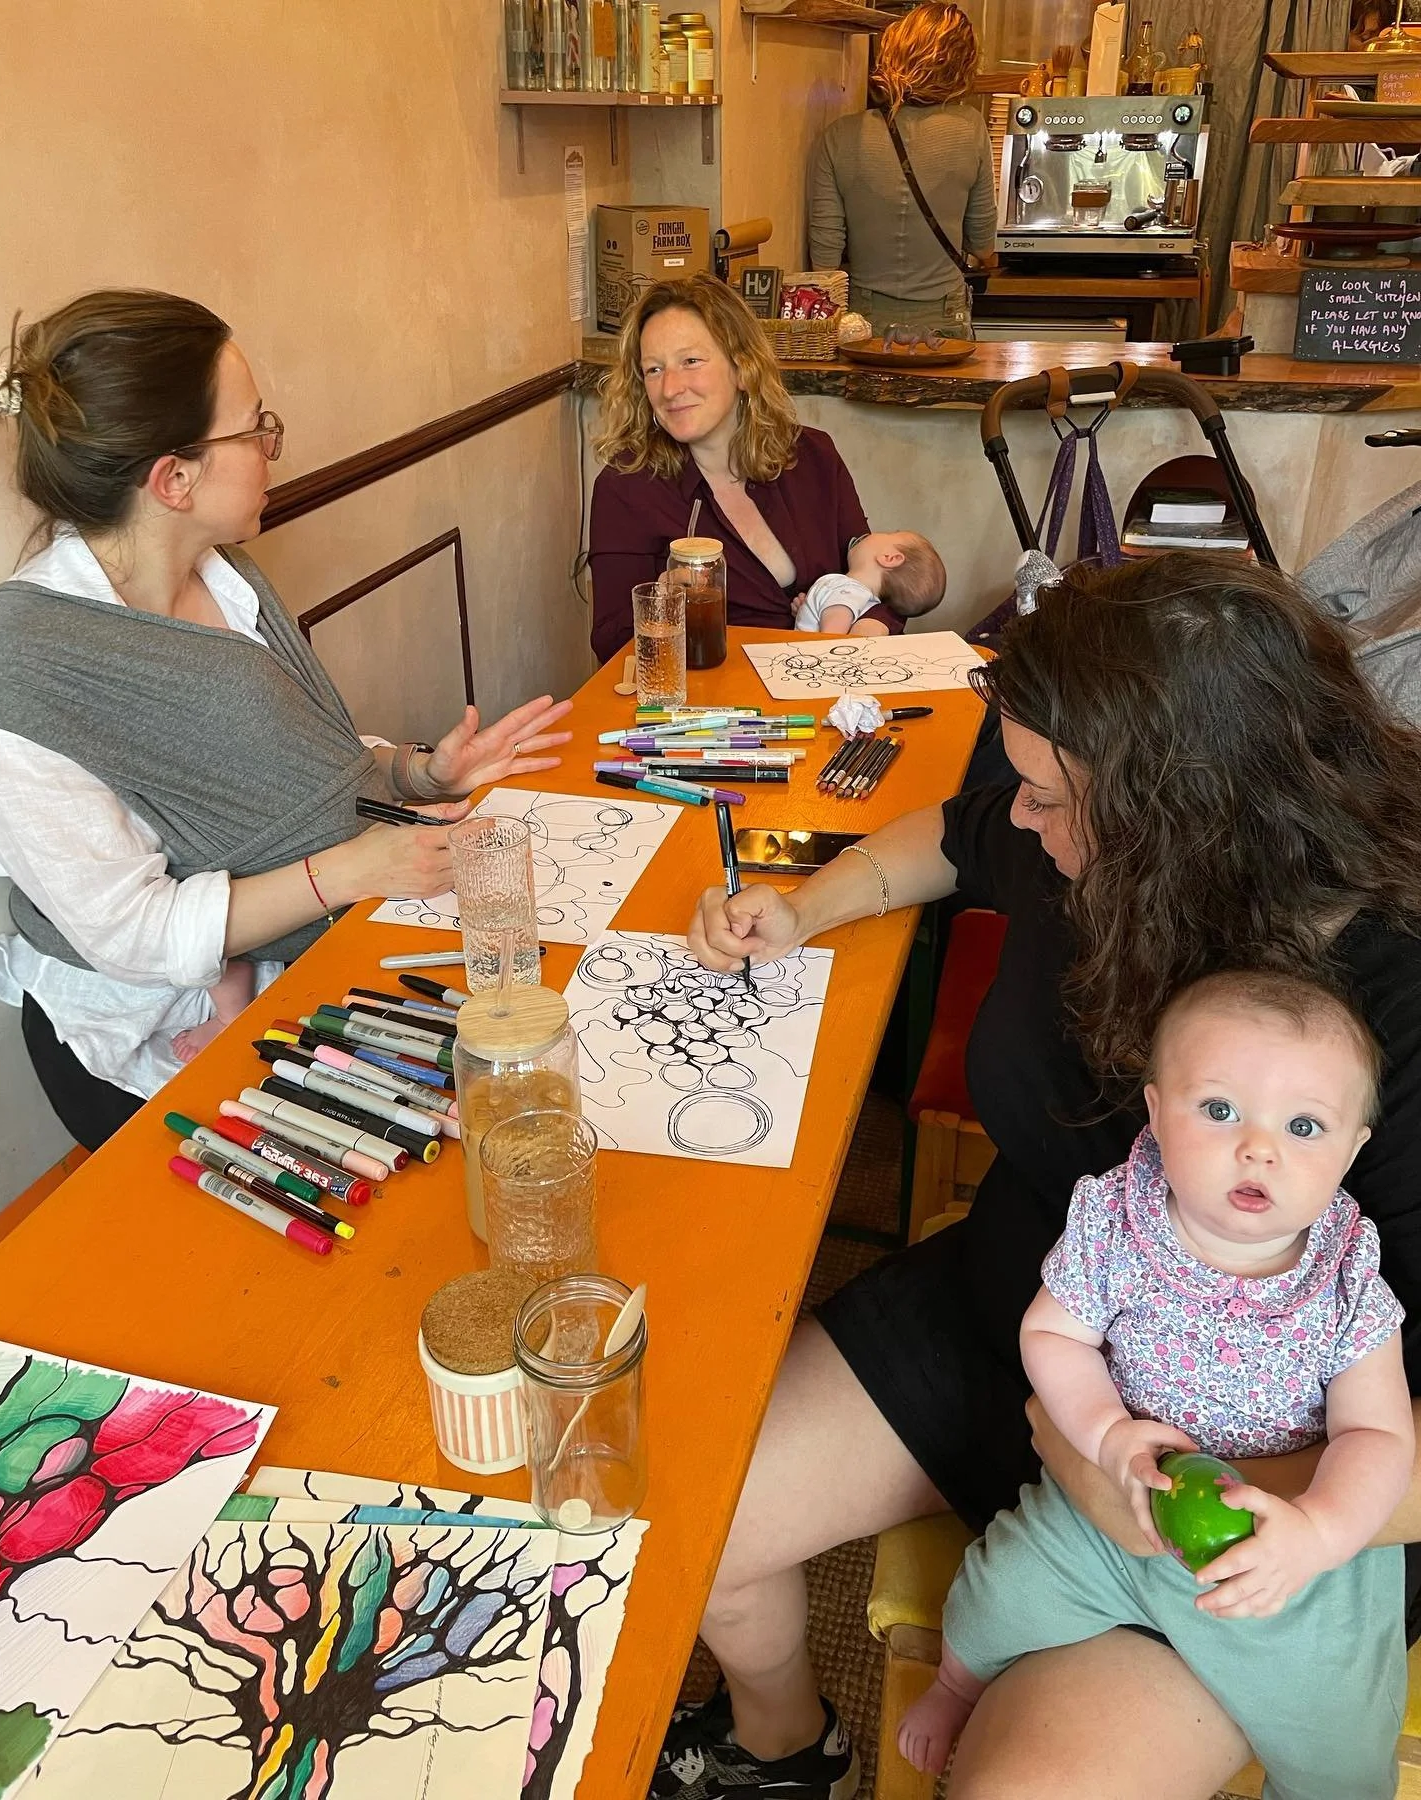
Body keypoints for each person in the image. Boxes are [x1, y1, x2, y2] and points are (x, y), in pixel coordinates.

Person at [671, 552, 1421, 1800]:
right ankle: (785, 1749)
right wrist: (812, 903)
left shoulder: (1397, 993)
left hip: (1253, 1484)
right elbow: (959, 837)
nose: (1020, 820)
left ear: (1180, 822)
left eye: (1046, 799)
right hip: (1026, 1313)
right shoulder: (1082, 841)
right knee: (694, 1509)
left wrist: (1132, 1476)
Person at [0, 289, 572, 1148]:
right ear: (173, 477)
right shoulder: (22, 663)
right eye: (256, 428)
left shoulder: (225, 576)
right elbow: (134, 932)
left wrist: (419, 773)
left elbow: (290, 764)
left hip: (298, 950)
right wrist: (349, 870)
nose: (271, 448)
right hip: (148, 1024)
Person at [900, 971, 1410, 1800]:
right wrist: (1105, 1435)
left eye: (1305, 1126)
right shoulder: (1117, 1220)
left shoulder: (1346, 1280)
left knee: (1345, 1756)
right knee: (994, 1596)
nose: (1258, 1148)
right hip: (1115, 1501)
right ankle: (958, 1683)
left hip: (1288, 1561)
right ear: (1155, 1111)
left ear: (1352, 1147)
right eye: (1217, 1111)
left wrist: (1315, 1534)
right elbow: (1054, 1334)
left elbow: (1378, 1437)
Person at [587, 273, 908, 665]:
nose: (670, 388)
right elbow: (611, 644)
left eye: (691, 361)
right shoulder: (629, 487)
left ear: (742, 368)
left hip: (828, 691)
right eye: (654, 369)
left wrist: (867, 629)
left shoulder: (813, 456)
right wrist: (663, 599)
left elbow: (875, 580)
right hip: (712, 713)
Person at [807, 3, 997, 341]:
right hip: (943, 319)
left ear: (893, 53)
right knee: (949, 396)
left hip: (862, 322)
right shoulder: (971, 129)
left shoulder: (838, 136)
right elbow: (982, 244)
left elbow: (825, 261)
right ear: (962, 64)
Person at [792, 529, 947, 635]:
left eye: (890, 533)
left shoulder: (845, 592)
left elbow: (830, 641)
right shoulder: (864, 600)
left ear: (889, 558)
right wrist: (808, 611)